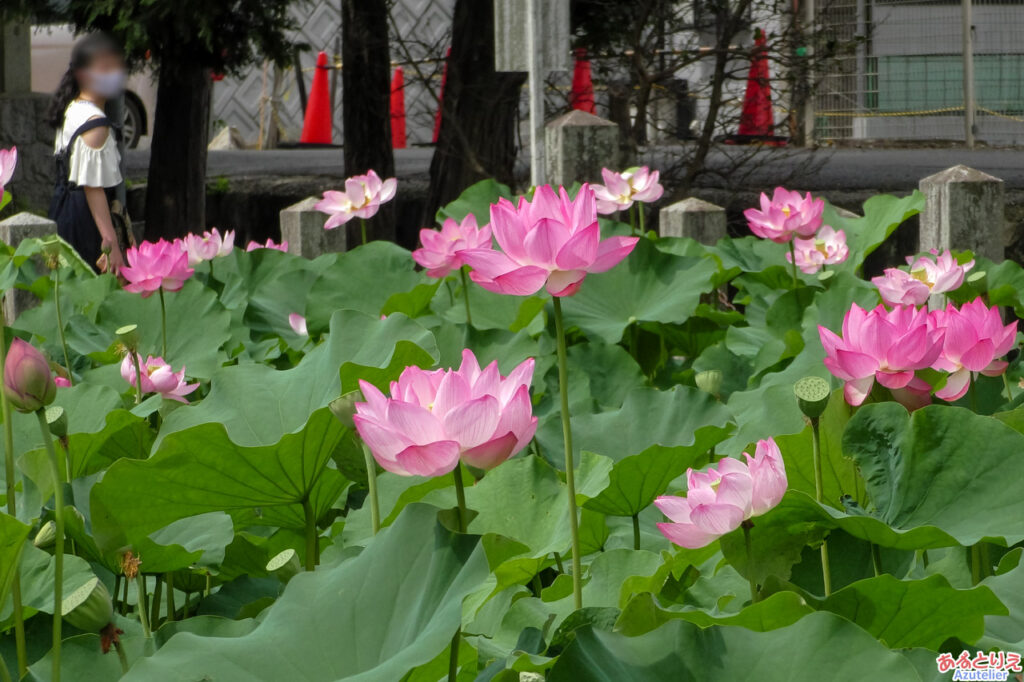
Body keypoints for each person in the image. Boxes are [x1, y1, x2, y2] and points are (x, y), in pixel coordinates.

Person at [47, 32, 130, 274]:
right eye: (106, 69)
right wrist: (111, 242)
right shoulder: (95, 124)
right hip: (87, 223)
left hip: (62, 212)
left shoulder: (73, 108)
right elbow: (93, 188)